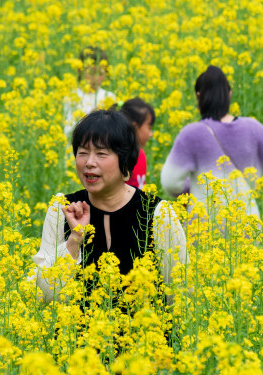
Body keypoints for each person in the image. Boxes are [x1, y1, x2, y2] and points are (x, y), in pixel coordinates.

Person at [33, 110, 186, 303]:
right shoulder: (62, 209)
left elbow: (180, 295)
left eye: (101, 154)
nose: (89, 163)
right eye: (82, 153)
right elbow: (45, 298)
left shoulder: (158, 214)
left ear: (124, 160)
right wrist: (74, 240)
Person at [161, 66, 263, 218]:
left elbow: (170, 182)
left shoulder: (191, 133)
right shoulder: (253, 127)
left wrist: (194, 187)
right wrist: (254, 182)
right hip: (247, 221)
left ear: (198, 96)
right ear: (229, 94)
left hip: (204, 225)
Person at [63, 46, 116, 135]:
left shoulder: (109, 96)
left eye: (101, 73)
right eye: (91, 73)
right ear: (80, 70)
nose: (96, 78)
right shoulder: (71, 97)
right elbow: (68, 133)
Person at [116, 97, 155, 189]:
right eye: (149, 128)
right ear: (134, 127)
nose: (151, 134)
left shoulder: (141, 154)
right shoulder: (119, 158)